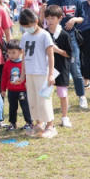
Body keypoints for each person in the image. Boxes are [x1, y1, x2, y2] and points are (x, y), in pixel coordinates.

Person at [19, 8, 57, 138]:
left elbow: (51, 55)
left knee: (44, 100)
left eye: (29, 26)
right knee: (33, 100)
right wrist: (23, 74)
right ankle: (38, 123)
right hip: (30, 73)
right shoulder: (25, 36)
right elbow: (24, 56)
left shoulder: (44, 35)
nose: (27, 28)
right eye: (25, 27)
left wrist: (51, 74)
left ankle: (50, 125)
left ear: (36, 21)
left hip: (42, 73)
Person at [44, 4, 73, 127]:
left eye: (52, 18)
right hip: (46, 68)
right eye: (48, 18)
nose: (50, 21)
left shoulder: (64, 35)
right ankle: (46, 117)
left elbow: (69, 54)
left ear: (60, 18)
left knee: (62, 93)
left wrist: (58, 51)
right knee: (45, 94)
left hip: (61, 68)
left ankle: (65, 117)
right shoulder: (44, 34)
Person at [0, 40, 31, 131]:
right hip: (11, 91)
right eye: (9, 53)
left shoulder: (24, 63)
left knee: (25, 106)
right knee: (12, 107)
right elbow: (4, 77)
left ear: (21, 52)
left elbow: (28, 76)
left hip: (22, 90)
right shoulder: (7, 64)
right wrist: (3, 89)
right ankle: (13, 123)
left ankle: (29, 122)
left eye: (14, 52)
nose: (11, 55)